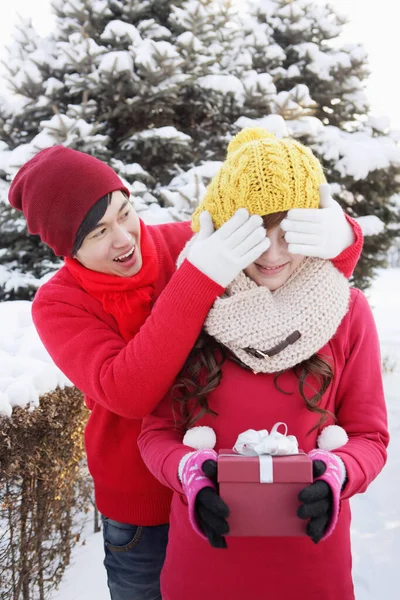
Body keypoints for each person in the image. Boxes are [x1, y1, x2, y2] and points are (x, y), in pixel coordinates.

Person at [8, 141, 361, 600]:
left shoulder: (182, 243)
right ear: (65, 249)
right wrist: (196, 279)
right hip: (140, 514)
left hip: (227, 493)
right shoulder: (59, 304)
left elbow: (293, 287)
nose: (123, 237)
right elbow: (130, 393)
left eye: (124, 211)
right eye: (97, 233)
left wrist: (345, 238)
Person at [137, 129, 389, 600]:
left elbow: (369, 436)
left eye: (289, 233)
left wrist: (339, 473)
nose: (273, 256)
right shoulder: (192, 305)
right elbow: (156, 433)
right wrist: (187, 472)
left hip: (312, 570)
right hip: (205, 568)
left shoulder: (346, 310)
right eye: (256, 235)